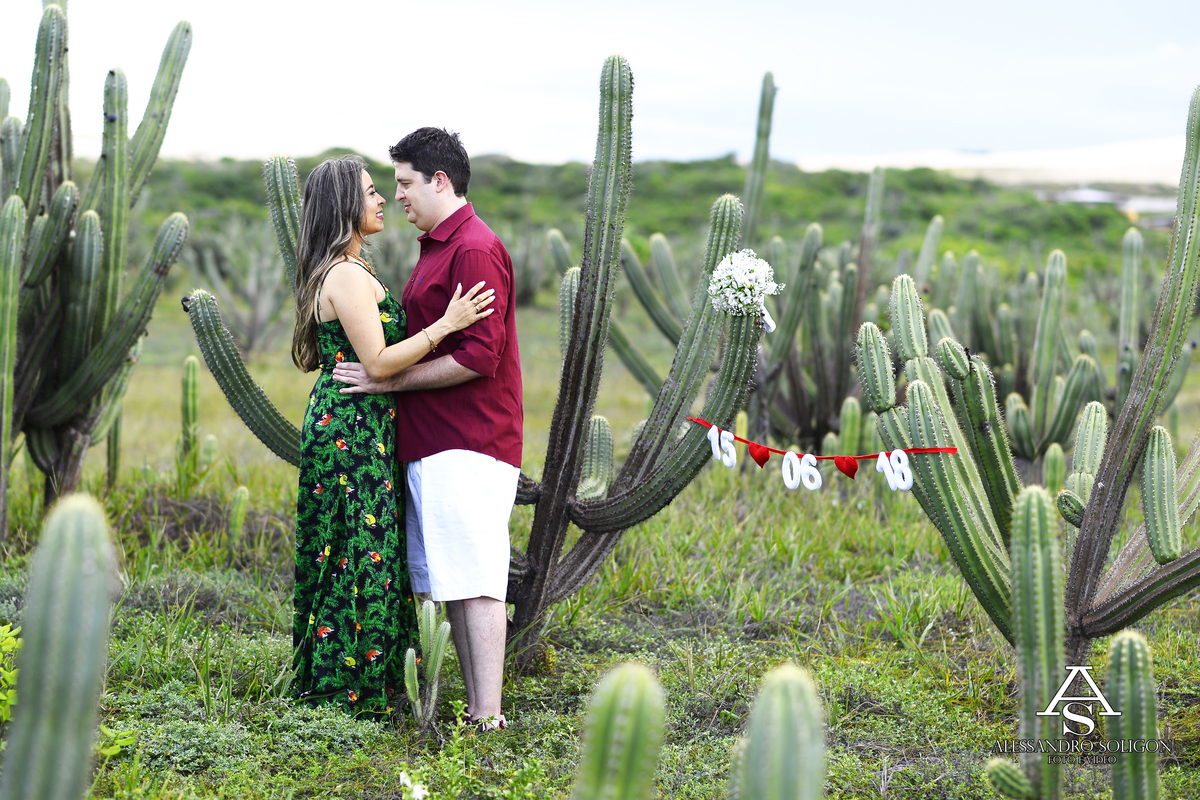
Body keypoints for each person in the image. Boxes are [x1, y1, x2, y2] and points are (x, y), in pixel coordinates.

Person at [291, 154, 495, 717]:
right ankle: (352, 692)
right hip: (352, 428)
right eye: (371, 191)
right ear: (344, 207)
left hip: (358, 423)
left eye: (387, 188)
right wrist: (447, 326)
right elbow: (378, 364)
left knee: (357, 548)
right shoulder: (346, 275)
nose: (383, 199)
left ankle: (352, 684)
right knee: (359, 551)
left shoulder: (347, 270)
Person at [333, 128, 522, 732]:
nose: (399, 196)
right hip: (435, 441)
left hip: (469, 439)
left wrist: (390, 383)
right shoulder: (439, 246)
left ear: (441, 180)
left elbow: (478, 357)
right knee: (455, 579)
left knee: (478, 578)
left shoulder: (472, 248)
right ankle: (476, 710)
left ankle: (488, 717)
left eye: (407, 182)